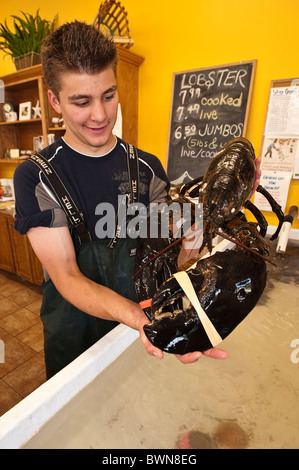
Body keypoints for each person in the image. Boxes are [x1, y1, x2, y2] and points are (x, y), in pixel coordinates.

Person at [13, 21, 260, 379]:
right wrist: (137, 318)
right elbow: (65, 274)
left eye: (108, 95)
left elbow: (169, 259)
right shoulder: (36, 176)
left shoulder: (146, 167)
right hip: (75, 335)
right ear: (54, 100)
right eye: (81, 101)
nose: (100, 115)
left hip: (139, 329)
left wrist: (192, 245)